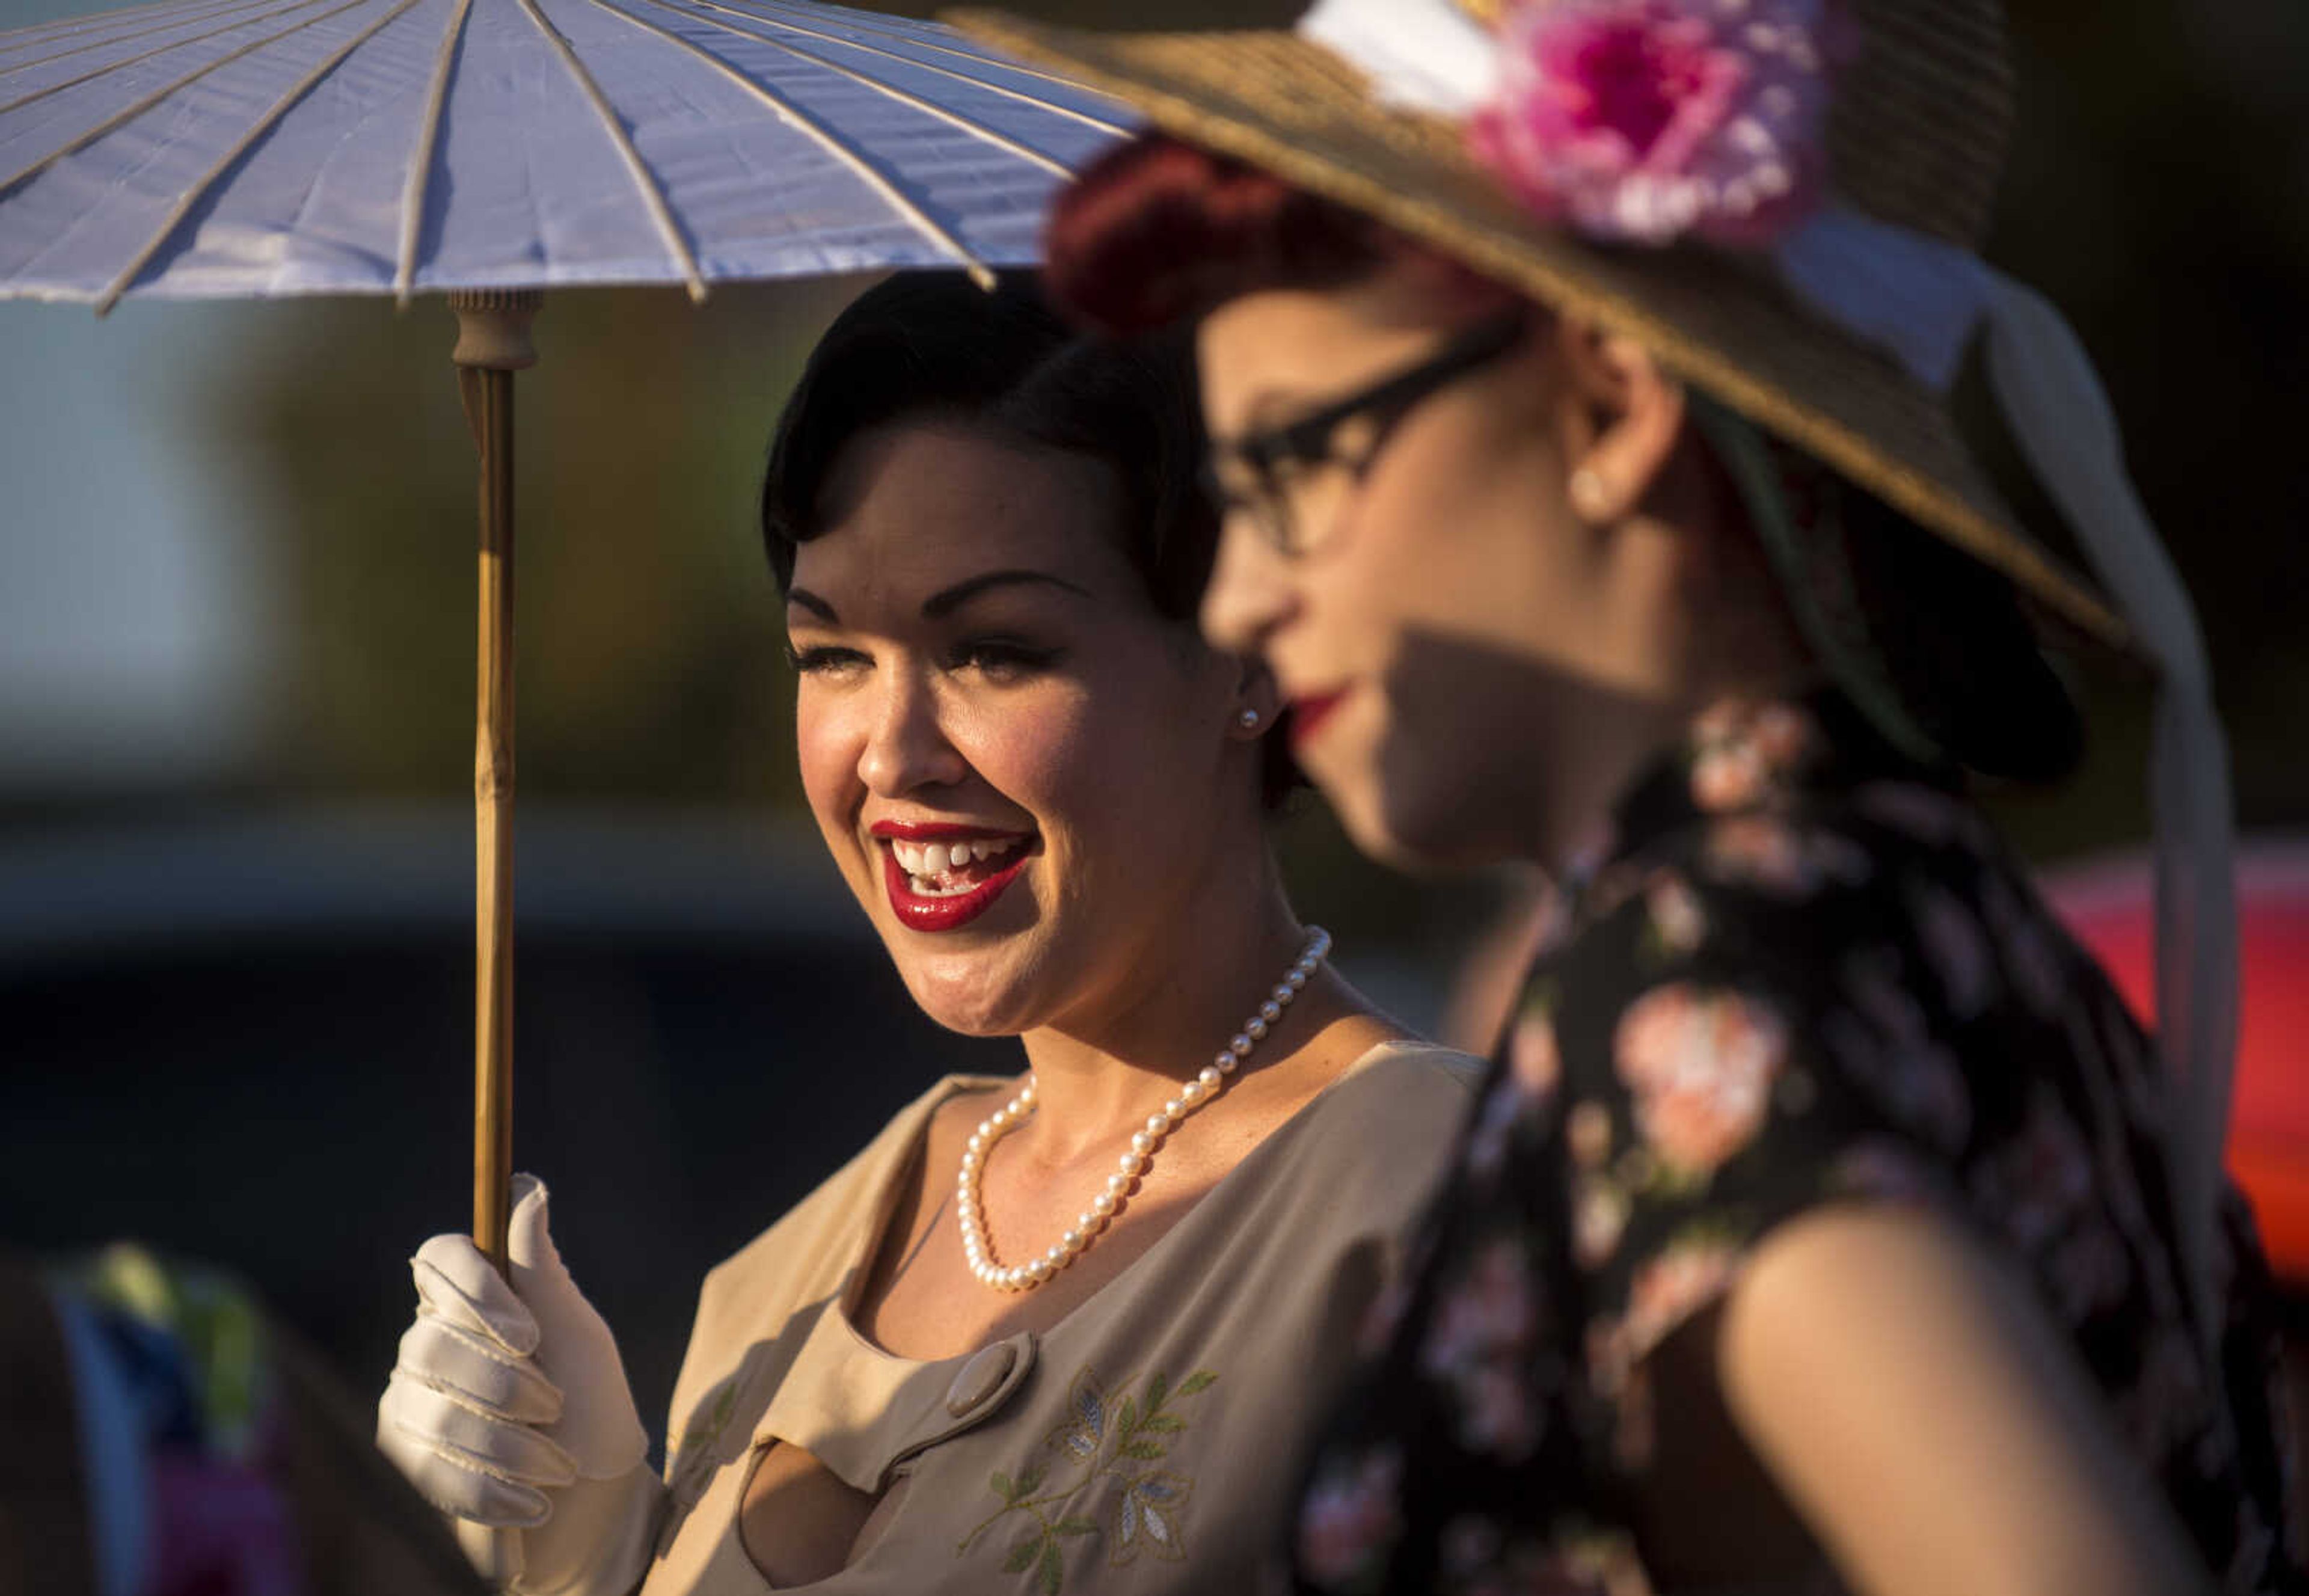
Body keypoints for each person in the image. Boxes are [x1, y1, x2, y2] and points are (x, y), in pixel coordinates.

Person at [952, 0, 2305, 1591]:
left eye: (1292, 473)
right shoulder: (1907, 903)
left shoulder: (1705, 972)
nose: (1240, 595)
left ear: (1611, 402)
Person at [372, 273, 1479, 1595]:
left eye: (994, 650)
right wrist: (578, 1548)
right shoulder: (786, 1275)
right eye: (831, 656)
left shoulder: (1428, 1192)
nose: (890, 757)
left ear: (1247, 653)